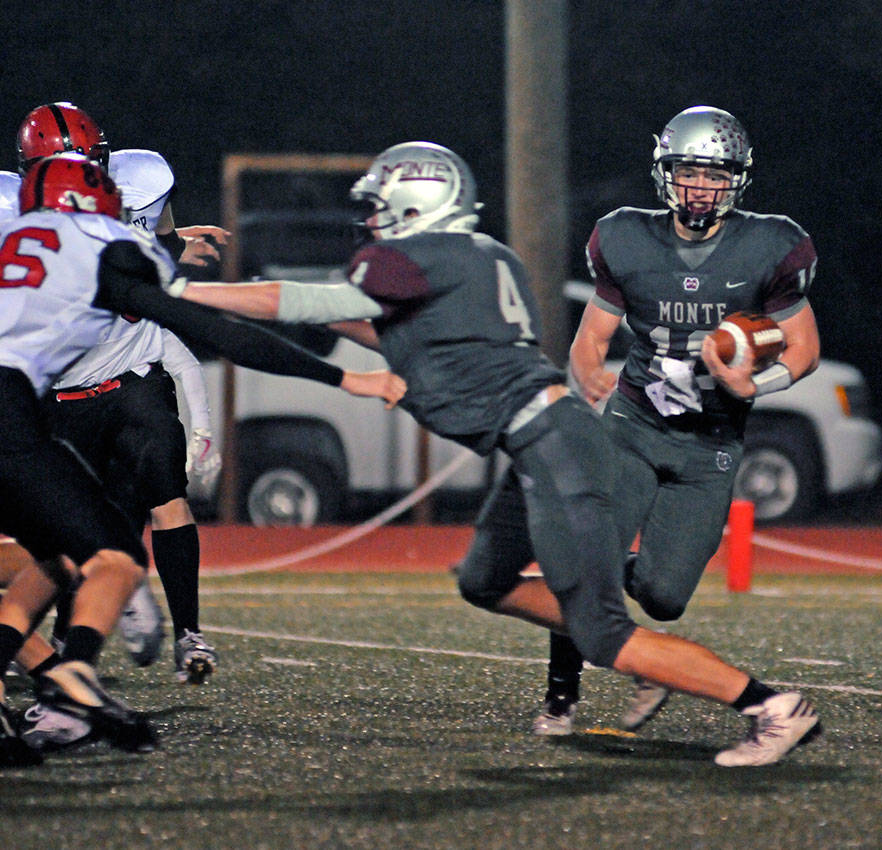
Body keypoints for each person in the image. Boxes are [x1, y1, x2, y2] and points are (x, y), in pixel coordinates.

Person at [174, 140, 823, 767]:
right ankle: (638, 648)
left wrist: (184, 291)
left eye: (379, 205)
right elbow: (399, 337)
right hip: (541, 440)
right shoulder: (482, 257)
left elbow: (309, 300)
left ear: (412, 205)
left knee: (607, 634)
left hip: (556, 448)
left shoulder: (413, 259)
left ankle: (771, 705)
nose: (370, 221)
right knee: (484, 580)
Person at [0, 153, 403, 764]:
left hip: (28, 409)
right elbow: (218, 332)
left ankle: (55, 676)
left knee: (45, 557)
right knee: (110, 557)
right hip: (16, 414)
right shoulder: (103, 250)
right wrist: (346, 381)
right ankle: (73, 669)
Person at [525, 105, 821, 735]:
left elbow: (805, 350)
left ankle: (630, 636)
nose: (700, 189)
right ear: (665, 173)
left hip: (710, 443)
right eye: (689, 173)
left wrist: (753, 382)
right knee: (591, 557)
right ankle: (560, 694)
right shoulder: (626, 237)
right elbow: (590, 336)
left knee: (664, 596)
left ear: (737, 181)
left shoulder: (770, 245)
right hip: (632, 423)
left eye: (715, 177)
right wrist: (588, 374)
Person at [4, 102, 229, 694]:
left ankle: (177, 636)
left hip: (130, 381)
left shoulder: (140, 186)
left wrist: (173, 244)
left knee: (147, 512)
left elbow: (146, 249)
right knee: (55, 539)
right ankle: (50, 653)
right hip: (51, 393)